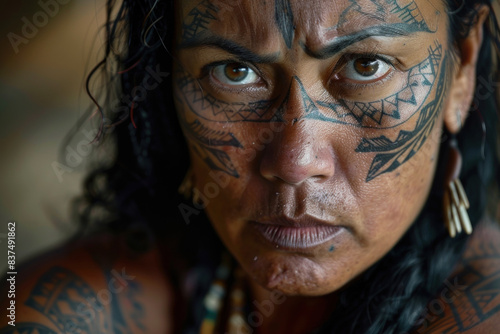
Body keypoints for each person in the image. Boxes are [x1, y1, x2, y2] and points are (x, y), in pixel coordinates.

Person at [2, 0, 500, 333]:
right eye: (234, 72)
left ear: (464, 69)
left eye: (366, 66)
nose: (295, 161)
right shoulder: (69, 305)